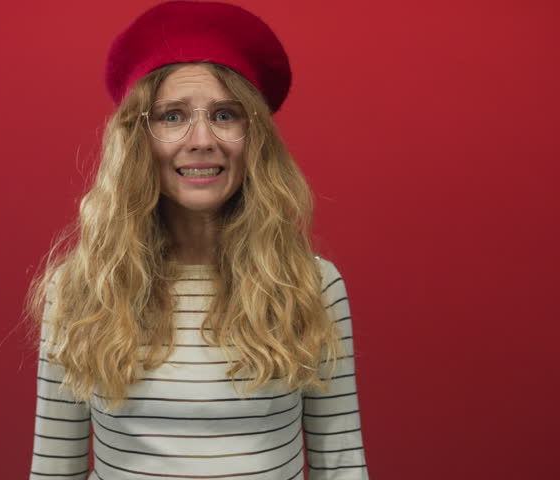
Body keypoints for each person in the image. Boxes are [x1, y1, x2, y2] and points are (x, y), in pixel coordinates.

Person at [26, 1, 370, 478]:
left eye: (225, 115)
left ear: (254, 137)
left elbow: (340, 464)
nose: (202, 139)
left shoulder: (311, 284)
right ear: (138, 139)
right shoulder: (82, 289)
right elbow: (54, 469)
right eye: (172, 116)